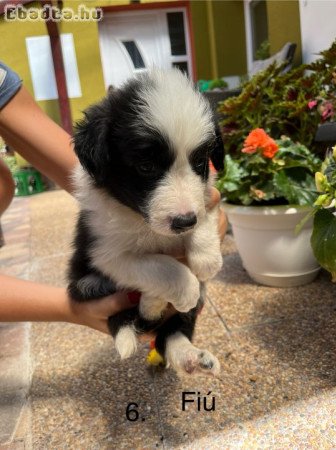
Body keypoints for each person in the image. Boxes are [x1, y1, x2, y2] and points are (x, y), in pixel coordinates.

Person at [0, 62, 227, 336]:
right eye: (146, 167)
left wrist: (204, 231)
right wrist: (72, 309)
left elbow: (24, 124)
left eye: (199, 161)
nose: (185, 207)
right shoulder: (103, 148)